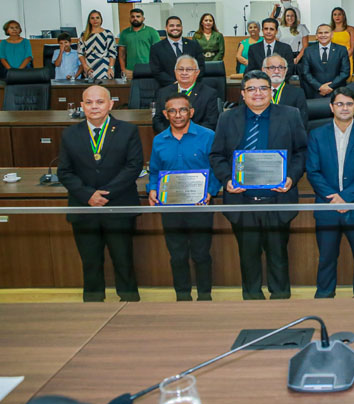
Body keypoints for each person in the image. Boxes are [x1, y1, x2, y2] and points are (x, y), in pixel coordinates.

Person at [209, 70, 307, 300]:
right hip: (242, 202)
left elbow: (302, 152)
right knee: (248, 257)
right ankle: (251, 302)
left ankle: (281, 301)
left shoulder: (290, 115)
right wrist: (227, 180)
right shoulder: (227, 118)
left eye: (263, 88)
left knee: (278, 257)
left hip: (277, 200)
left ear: (271, 91)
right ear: (242, 93)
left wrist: (292, 177)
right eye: (251, 89)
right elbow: (216, 155)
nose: (258, 93)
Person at [57, 85, 142, 302]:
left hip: (119, 206)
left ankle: (130, 304)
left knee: (123, 260)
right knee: (90, 262)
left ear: (110, 104)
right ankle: (93, 307)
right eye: (89, 102)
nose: (94, 106)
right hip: (84, 209)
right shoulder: (70, 134)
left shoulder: (128, 130)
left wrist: (106, 194)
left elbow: (133, 167)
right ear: (82, 106)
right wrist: (88, 195)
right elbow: (64, 172)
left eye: (100, 102)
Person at [306, 87, 354, 298]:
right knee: (326, 259)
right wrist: (334, 198)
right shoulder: (316, 135)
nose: (344, 108)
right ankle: (324, 298)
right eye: (340, 104)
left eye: (349, 104)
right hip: (327, 207)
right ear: (331, 107)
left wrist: (345, 197)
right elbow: (313, 171)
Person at [147, 93, 220, 301]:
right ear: (165, 114)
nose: (178, 115)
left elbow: (217, 168)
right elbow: (154, 170)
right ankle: (182, 296)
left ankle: (205, 296)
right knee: (177, 255)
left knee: (201, 254)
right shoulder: (159, 140)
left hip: (200, 205)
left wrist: (210, 191)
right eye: (172, 111)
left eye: (182, 110)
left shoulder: (208, 136)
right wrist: (153, 188)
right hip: (170, 207)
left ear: (191, 112)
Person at [151, 55, 219, 133]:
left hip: (197, 140)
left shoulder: (209, 93)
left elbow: (210, 123)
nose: (184, 73)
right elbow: (157, 120)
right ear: (175, 71)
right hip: (169, 140)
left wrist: (188, 136)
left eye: (189, 69)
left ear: (197, 72)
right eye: (180, 69)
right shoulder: (163, 92)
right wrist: (171, 135)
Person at [149, 16, 205, 86]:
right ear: (166, 28)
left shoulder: (194, 45)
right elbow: (156, 71)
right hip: (168, 88)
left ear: (182, 27)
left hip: (192, 87)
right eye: (171, 26)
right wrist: (175, 83)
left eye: (178, 26)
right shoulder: (156, 48)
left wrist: (189, 81)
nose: (175, 28)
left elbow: (201, 67)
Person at [300, 23, 350, 98]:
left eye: (326, 32)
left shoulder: (341, 50)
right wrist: (320, 87)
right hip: (314, 92)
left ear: (332, 34)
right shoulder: (308, 51)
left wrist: (330, 86)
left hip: (336, 92)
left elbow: (345, 72)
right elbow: (305, 72)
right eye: (320, 33)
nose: (323, 35)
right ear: (316, 36)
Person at [118, 7, 160, 78]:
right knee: (131, 89)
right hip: (130, 70)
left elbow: (158, 52)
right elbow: (121, 53)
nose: (135, 19)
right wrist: (123, 69)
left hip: (148, 69)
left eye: (138, 16)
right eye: (132, 17)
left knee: (148, 88)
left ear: (143, 18)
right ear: (129, 19)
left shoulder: (152, 32)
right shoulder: (124, 33)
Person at [78, 10, 117, 81]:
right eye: (92, 18)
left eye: (97, 18)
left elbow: (113, 53)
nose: (95, 20)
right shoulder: (84, 34)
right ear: (89, 20)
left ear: (101, 19)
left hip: (104, 65)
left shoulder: (108, 33)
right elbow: (80, 53)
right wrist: (85, 66)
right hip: (89, 66)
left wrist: (111, 68)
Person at [330, 7, 354, 79]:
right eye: (335, 15)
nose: (337, 16)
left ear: (343, 16)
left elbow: (353, 47)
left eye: (339, 14)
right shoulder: (329, 30)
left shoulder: (350, 29)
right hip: (333, 59)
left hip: (348, 57)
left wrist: (343, 58)